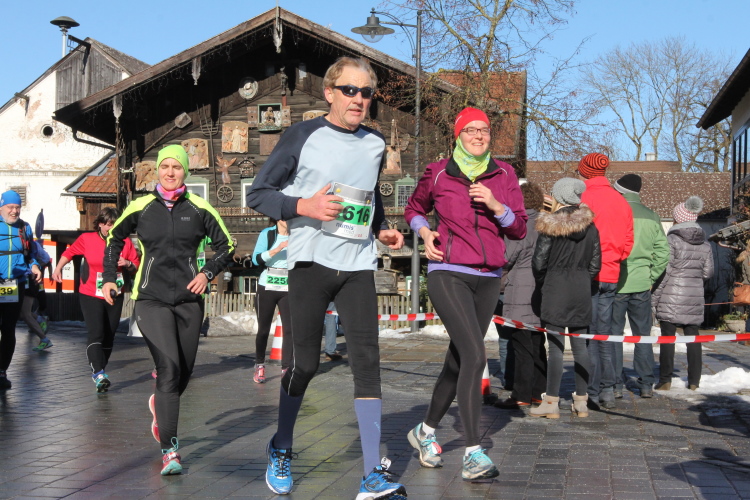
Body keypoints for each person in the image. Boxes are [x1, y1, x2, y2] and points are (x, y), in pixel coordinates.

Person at [246, 57, 405, 499]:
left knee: (367, 363)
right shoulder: (303, 135)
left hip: (357, 266)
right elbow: (259, 193)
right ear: (330, 93)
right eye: (349, 90)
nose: (358, 99)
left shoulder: (375, 144)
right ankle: (281, 446)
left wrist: (381, 228)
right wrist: (304, 207)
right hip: (309, 264)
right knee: (306, 365)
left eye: (366, 92)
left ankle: (371, 473)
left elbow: (368, 196)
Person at [404, 107, 527, 480]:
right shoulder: (439, 172)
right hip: (448, 271)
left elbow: (519, 228)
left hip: (488, 277)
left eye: (484, 130)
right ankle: (474, 453)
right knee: (475, 354)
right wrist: (424, 232)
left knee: (459, 360)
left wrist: (496, 205)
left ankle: (424, 431)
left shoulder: (504, 175)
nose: (478, 136)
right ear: (458, 135)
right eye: (470, 130)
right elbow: (414, 209)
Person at [101, 144, 234, 475]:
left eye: (176, 167)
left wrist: (207, 273)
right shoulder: (142, 207)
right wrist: (109, 278)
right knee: (170, 368)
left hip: (189, 302)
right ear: (157, 171)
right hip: (151, 299)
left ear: (185, 171)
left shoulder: (200, 208)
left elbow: (227, 246)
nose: (170, 172)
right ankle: (170, 451)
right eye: (165, 167)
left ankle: (160, 402)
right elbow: (114, 238)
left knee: (183, 373)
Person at [530, 178, 601, 418]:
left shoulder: (549, 225)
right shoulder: (591, 227)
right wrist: (581, 279)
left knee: (556, 348)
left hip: (555, 289)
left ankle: (551, 402)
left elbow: (539, 263)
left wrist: (547, 282)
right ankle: (581, 401)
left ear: (559, 196)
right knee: (581, 347)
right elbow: (596, 264)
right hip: (580, 289)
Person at [52, 208, 139, 391]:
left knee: (109, 335)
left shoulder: (124, 242)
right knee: (96, 332)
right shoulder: (87, 239)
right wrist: (58, 268)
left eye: (115, 224)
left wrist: (127, 263)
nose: (111, 228)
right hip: (91, 292)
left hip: (115, 294)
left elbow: (135, 266)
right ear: (100, 224)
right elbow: (69, 253)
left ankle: (101, 372)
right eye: (108, 224)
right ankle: (98, 373)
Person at [577, 153, 634, 410]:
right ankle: (608, 389)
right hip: (611, 272)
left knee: (591, 334)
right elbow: (628, 240)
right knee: (605, 332)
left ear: (585, 171)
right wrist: (616, 258)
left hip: (589, 274)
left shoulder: (584, 197)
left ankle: (592, 390)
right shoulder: (621, 201)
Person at [611, 174, 669, 398]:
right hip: (642, 283)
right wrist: (650, 276)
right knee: (642, 335)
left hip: (615, 282)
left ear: (621, 192)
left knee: (613, 335)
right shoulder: (652, 216)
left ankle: (615, 384)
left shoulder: (613, 213)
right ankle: (646, 384)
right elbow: (663, 253)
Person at [652, 196, 713, 391]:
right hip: (694, 296)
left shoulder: (671, 240)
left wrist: (654, 298)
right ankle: (694, 381)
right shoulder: (705, 244)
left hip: (670, 296)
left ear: (677, 219)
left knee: (667, 338)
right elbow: (708, 273)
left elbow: (665, 271)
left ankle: (665, 380)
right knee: (693, 337)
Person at [495, 182, 547, 410]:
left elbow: (506, 258)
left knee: (521, 345)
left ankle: (521, 394)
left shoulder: (520, 226)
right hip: (541, 291)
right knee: (538, 344)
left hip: (520, 290)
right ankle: (538, 392)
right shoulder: (546, 224)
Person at [0, 190, 42, 390]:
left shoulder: (24, 228)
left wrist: (34, 266)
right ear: (1, 207)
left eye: (17, 207)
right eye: (10, 207)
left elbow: (30, 254)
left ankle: (2, 372)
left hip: (13, 285)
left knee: (8, 328)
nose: (14, 211)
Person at [251, 219, 292, 382]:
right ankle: (259, 365)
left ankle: (286, 368)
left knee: (290, 330)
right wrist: (278, 248)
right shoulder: (267, 234)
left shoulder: (297, 234)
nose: (289, 220)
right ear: (278, 219)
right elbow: (256, 259)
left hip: (287, 286)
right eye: (285, 217)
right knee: (263, 329)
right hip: (267, 286)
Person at [25, 239, 53, 351]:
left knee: (25, 313)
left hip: (28, 280)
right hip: (18, 280)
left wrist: (36, 268)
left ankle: (44, 338)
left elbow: (47, 261)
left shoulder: (32, 245)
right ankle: (40, 320)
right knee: (21, 313)